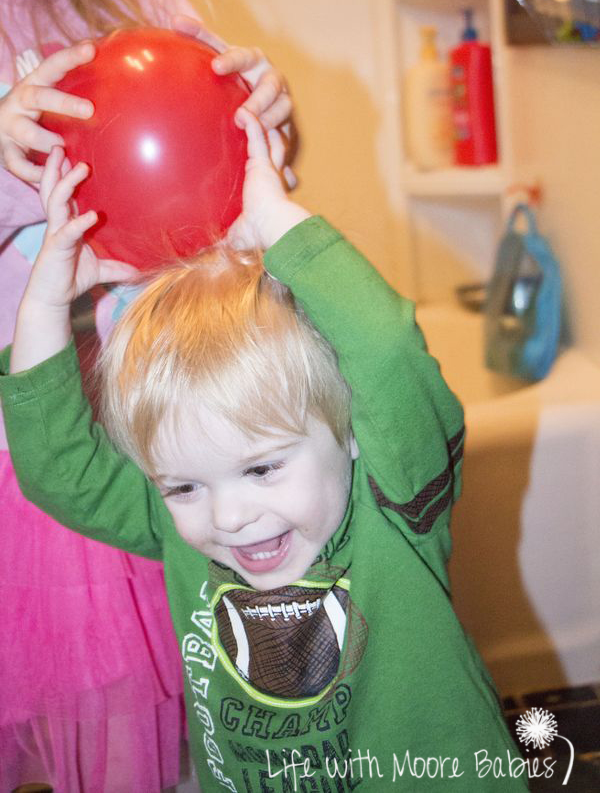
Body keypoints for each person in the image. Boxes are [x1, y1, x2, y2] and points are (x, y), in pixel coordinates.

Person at [0, 109, 531, 793]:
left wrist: (279, 223)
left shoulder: (398, 499)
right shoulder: (188, 535)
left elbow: (390, 352)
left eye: (262, 468)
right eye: (182, 486)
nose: (227, 516)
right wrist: (43, 305)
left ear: (349, 433)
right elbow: (59, 471)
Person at [0, 0, 293, 790]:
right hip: (29, 461)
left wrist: (273, 127)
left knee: (178, 749)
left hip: (158, 440)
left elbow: (227, 199)